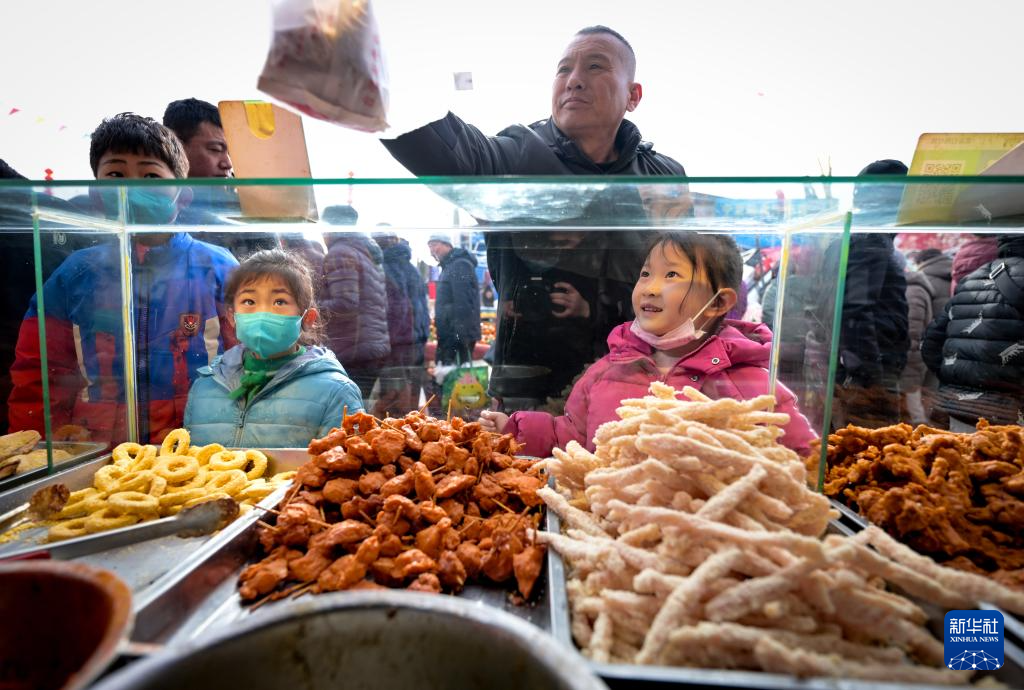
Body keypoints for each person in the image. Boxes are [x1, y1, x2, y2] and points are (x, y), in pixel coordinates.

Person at [382, 26, 684, 412]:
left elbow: (686, 285)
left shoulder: (662, 176)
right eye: (564, 70)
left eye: (595, 66)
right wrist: (376, 87)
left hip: (639, 387)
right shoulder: (519, 155)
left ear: (633, 95)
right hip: (530, 395)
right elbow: (454, 153)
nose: (574, 81)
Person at [7, 113, 239, 443]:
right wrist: (39, 450)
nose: (131, 187)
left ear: (182, 194)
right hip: (96, 451)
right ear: (97, 193)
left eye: (151, 175)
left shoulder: (218, 269)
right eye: (115, 174)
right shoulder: (75, 275)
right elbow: (38, 376)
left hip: (200, 447)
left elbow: (251, 362)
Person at [479, 232, 816, 457]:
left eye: (671, 276)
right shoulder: (607, 370)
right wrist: (513, 428)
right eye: (645, 274)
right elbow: (569, 436)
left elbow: (803, 455)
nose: (651, 288)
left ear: (718, 303)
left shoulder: (751, 384)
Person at [184, 249, 363, 446]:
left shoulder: (336, 392)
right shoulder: (205, 387)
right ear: (231, 317)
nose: (262, 312)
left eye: (279, 302)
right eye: (249, 301)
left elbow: (343, 468)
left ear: (308, 318)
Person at [826, 160, 910, 428]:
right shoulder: (870, 239)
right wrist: (874, 382)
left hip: (859, 373)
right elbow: (854, 312)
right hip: (866, 378)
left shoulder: (854, 236)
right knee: (873, 454)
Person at [922, 234, 1024, 429]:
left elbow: (930, 344)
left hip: (962, 411)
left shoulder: (974, 276)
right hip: (1013, 415)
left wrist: (960, 377)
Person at [163, 98, 279, 257]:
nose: (228, 164)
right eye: (216, 149)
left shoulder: (247, 210)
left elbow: (273, 269)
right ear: (176, 145)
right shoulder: (155, 204)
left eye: (231, 153)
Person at [318, 205, 390, 403]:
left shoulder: (340, 253)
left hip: (353, 349)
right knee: (358, 410)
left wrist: (313, 307)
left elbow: (346, 303)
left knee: (348, 416)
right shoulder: (366, 252)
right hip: (372, 345)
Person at [373, 228, 430, 416]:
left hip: (397, 343)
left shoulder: (386, 268)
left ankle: (395, 437)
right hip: (417, 339)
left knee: (394, 399)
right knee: (411, 396)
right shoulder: (411, 268)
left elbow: (397, 310)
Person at [900, 248, 952, 425]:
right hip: (950, 350)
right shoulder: (955, 277)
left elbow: (913, 330)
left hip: (924, 352)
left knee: (916, 409)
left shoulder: (918, 286)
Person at [429, 233, 480, 365]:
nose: (432, 250)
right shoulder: (449, 266)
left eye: (434, 245)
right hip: (450, 334)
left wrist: (461, 338)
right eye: (429, 247)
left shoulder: (460, 265)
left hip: (456, 337)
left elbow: (464, 302)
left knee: (456, 380)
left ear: (447, 245)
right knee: (451, 380)